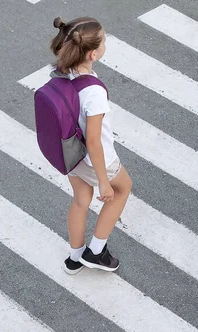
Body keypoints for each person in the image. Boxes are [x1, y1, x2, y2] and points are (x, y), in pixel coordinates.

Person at [49, 16, 133, 275]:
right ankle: (96, 251)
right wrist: (104, 181)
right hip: (95, 159)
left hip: (71, 153)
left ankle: (75, 258)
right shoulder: (94, 92)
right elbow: (95, 141)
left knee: (81, 200)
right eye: (104, 41)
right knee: (122, 189)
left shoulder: (62, 72)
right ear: (94, 54)